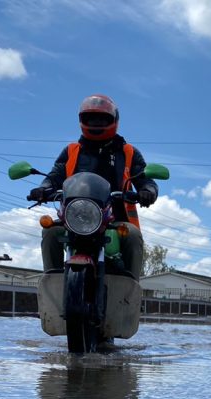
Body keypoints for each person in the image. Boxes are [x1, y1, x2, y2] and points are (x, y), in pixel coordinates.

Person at [29, 94, 158, 279]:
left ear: (114, 120)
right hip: (73, 219)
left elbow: (146, 179)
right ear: (82, 120)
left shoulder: (128, 152)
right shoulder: (71, 150)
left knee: (133, 236)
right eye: (91, 118)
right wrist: (44, 188)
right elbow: (55, 175)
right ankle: (52, 287)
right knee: (50, 232)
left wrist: (148, 191)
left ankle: (131, 291)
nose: (96, 123)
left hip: (115, 220)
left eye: (102, 118)